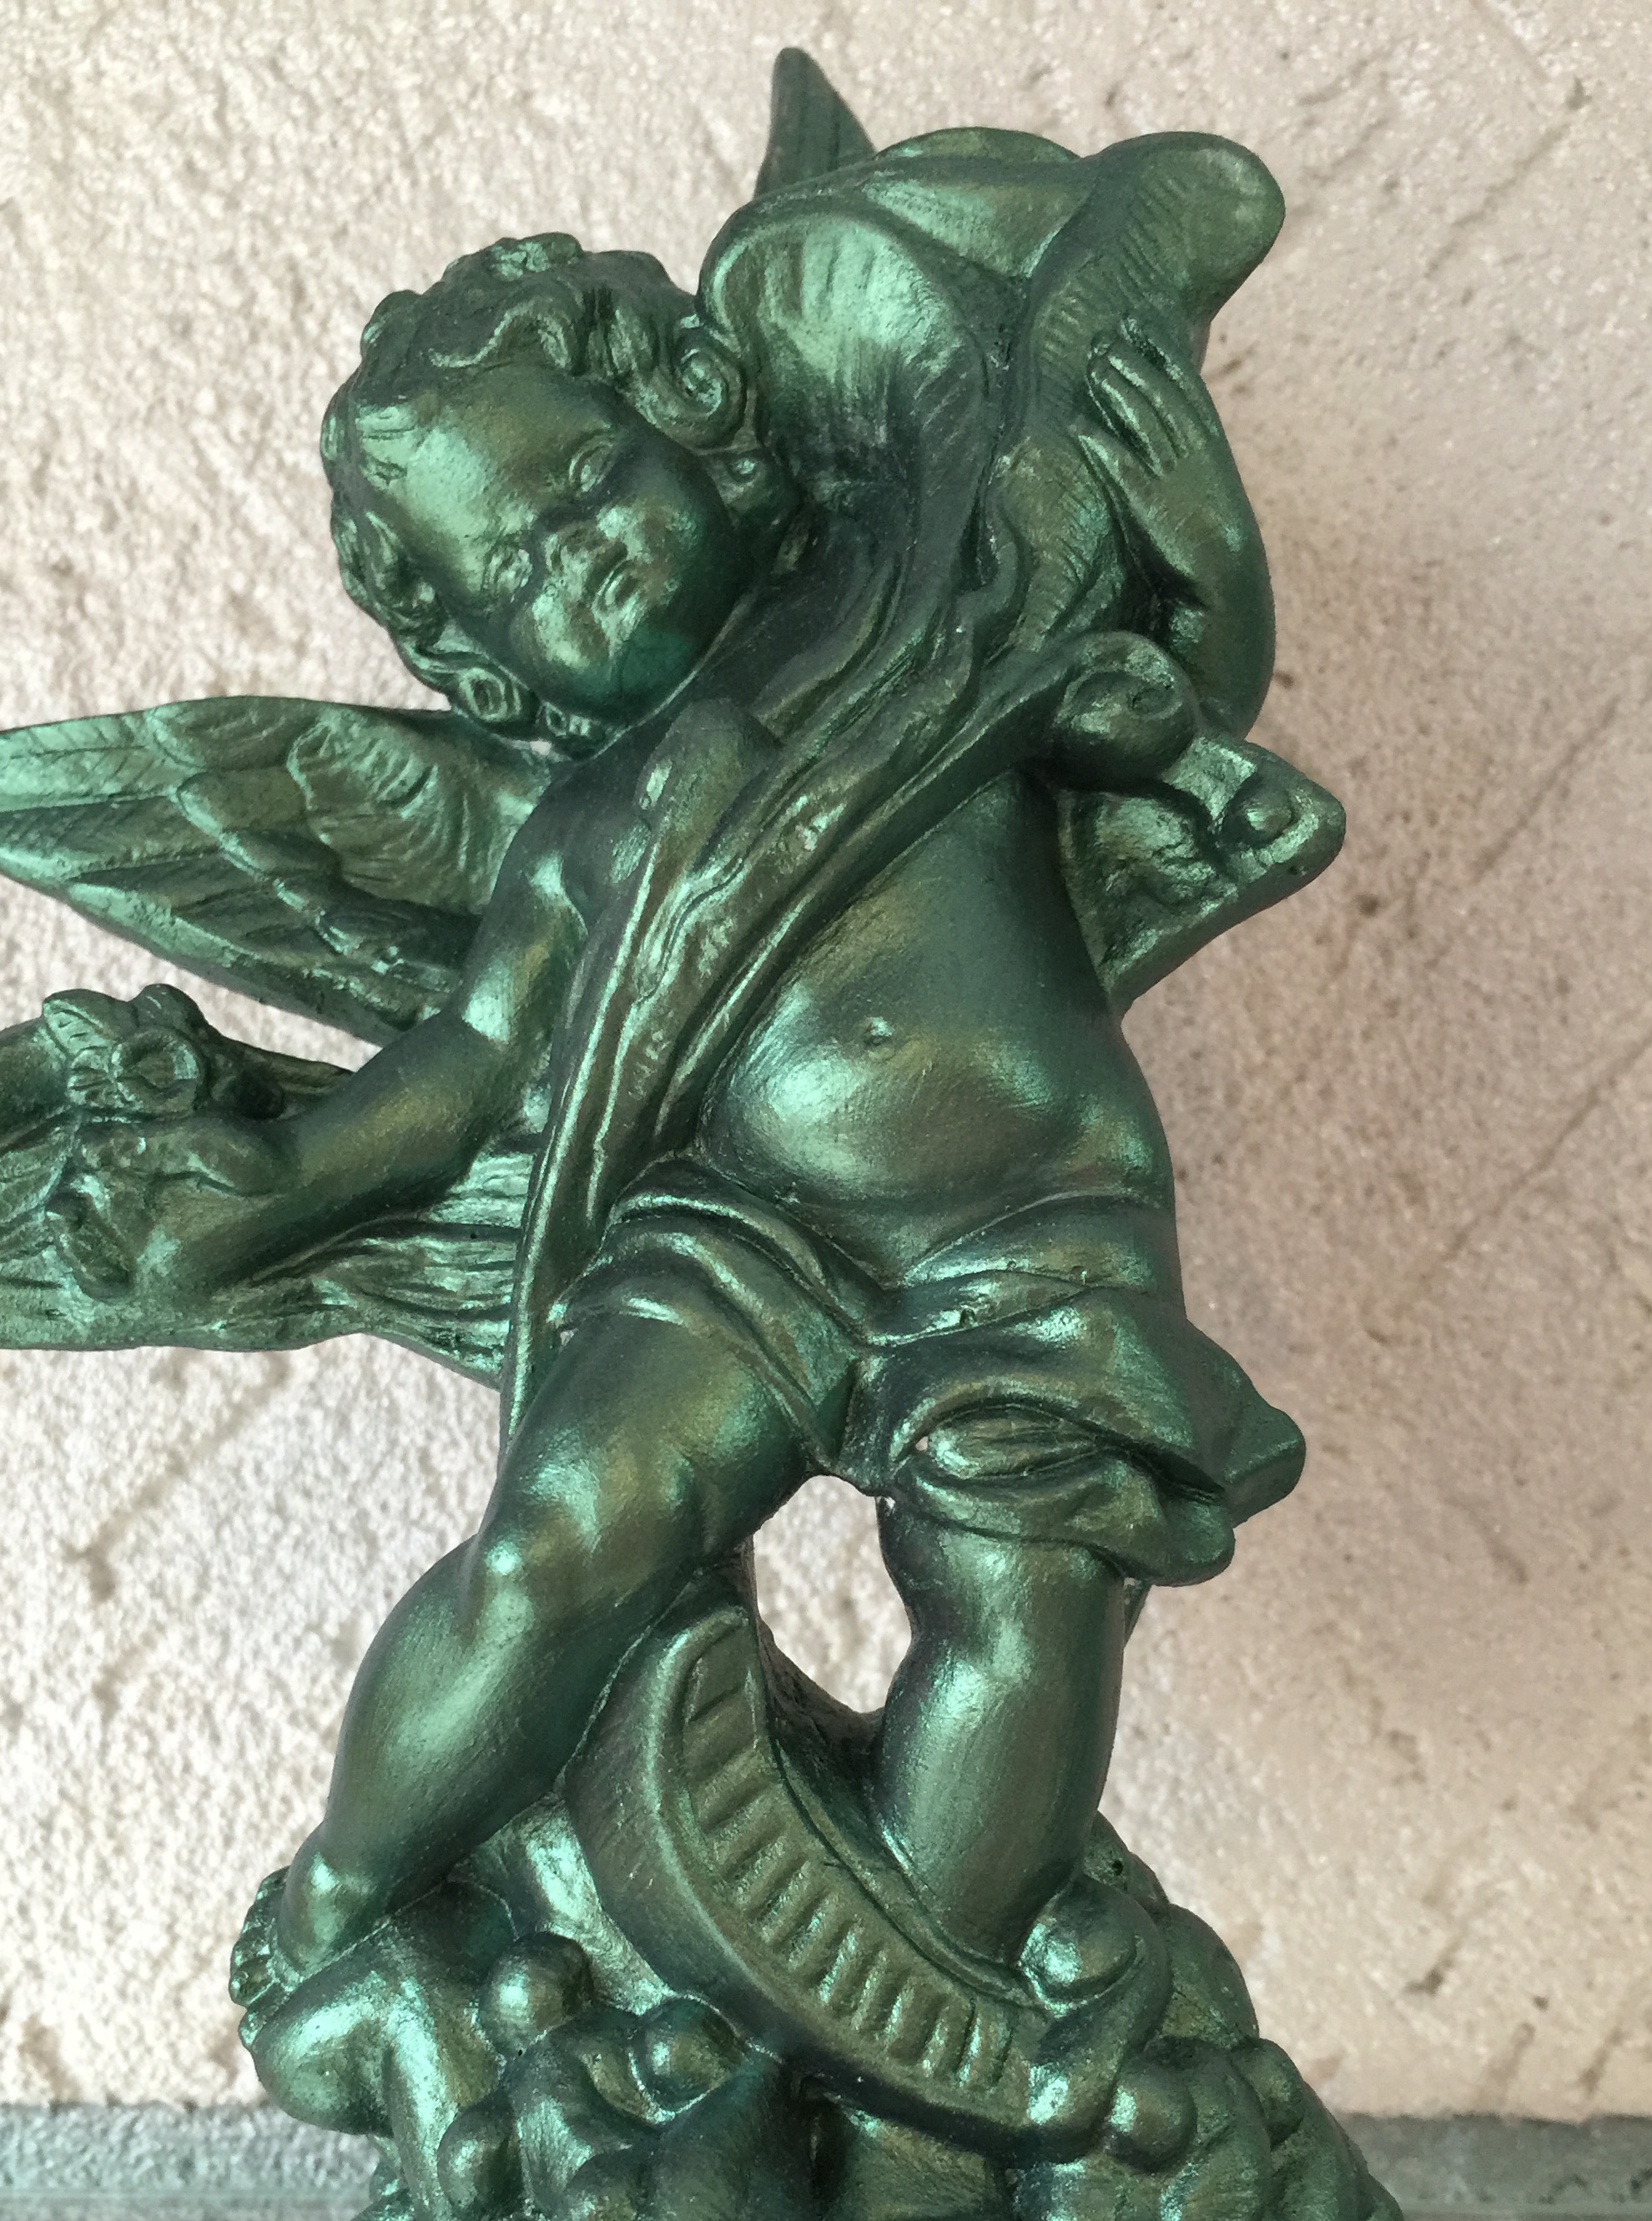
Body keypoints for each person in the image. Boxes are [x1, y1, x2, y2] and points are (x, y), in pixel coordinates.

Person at [104, 144, 1314, 1984]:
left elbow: (1184, 703)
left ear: (705, 423)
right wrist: (278, 1185)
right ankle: (346, 1902)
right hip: (734, 1242)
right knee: (553, 1550)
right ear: (476, 658)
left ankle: (937, 1973)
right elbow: (475, 1063)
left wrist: (1200, 535)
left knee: (1026, 1599)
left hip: (1031, 1228)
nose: (580, 557)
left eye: (591, 485)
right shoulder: (588, 830)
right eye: (518, 568)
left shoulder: (930, 614)